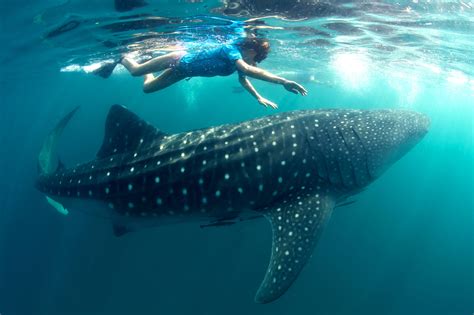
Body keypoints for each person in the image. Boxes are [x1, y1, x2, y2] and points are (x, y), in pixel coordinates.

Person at [117, 37, 307, 109]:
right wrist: (283, 81)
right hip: (176, 59)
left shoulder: (237, 64)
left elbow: (244, 79)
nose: (255, 62)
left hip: (181, 73)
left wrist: (258, 97)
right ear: (250, 51)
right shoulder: (231, 50)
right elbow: (248, 69)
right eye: (256, 58)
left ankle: (146, 66)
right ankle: (122, 56)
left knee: (147, 89)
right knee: (135, 71)